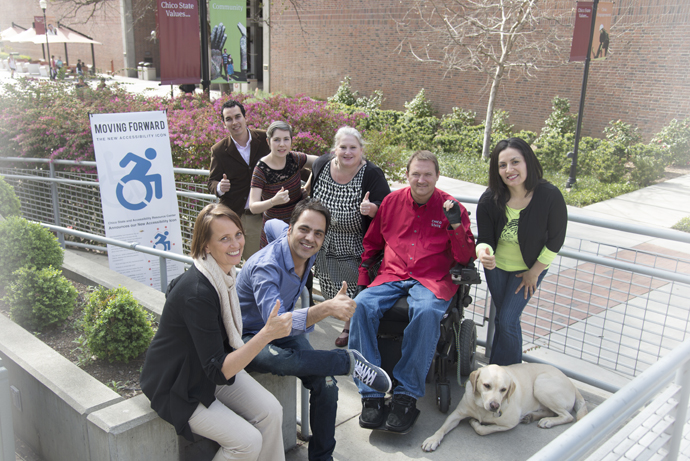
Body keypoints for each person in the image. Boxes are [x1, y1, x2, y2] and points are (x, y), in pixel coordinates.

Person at [236, 198, 392, 461]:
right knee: (284, 362)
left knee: (327, 385)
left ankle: (322, 458)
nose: (310, 238)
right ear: (291, 228)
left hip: (283, 331)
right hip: (248, 336)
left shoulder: (306, 248)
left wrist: (279, 228)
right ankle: (347, 361)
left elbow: (272, 224)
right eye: (304, 229)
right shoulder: (266, 268)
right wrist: (327, 308)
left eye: (318, 233)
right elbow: (276, 324)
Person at [140, 203, 293, 461]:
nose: (235, 244)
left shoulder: (223, 274)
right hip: (179, 385)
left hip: (207, 371)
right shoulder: (198, 292)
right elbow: (218, 370)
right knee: (247, 442)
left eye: (238, 234)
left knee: (272, 411)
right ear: (206, 246)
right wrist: (266, 334)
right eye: (224, 238)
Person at [349, 150, 476, 433]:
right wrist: (361, 280)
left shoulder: (451, 207)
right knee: (360, 306)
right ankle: (371, 392)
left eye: (427, 174)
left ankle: (406, 394)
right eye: (416, 173)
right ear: (407, 175)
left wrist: (455, 224)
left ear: (437, 176)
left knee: (427, 311)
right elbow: (371, 246)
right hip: (392, 275)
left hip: (431, 278)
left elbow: (466, 256)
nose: (421, 179)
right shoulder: (392, 202)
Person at [475, 137, 567, 366]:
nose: (509, 170)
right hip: (497, 269)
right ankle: (500, 376)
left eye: (515, 162)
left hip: (529, 269)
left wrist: (534, 273)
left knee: (506, 319)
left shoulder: (549, 195)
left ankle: (507, 376)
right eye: (502, 165)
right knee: (507, 321)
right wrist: (483, 253)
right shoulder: (489, 199)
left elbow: (556, 240)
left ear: (527, 161)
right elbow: (484, 240)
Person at [310, 126, 390, 347]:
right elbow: (311, 195)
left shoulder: (372, 173)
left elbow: (387, 207)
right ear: (335, 149)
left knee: (353, 289)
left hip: (355, 246)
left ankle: (348, 327)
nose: (347, 152)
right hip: (325, 242)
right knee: (328, 285)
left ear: (361, 150)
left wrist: (372, 209)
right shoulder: (321, 164)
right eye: (343, 147)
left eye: (353, 147)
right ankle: (338, 314)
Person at [208, 100, 269, 259]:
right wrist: (220, 187)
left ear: (244, 117)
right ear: (223, 123)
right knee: (227, 261)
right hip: (233, 216)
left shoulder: (264, 139)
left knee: (256, 263)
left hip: (258, 215)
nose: (234, 122)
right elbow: (211, 182)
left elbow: (285, 159)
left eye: (237, 117)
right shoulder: (219, 150)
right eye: (229, 119)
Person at [248, 121, 317, 248]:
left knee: (300, 265)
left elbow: (320, 163)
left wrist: (307, 187)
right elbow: (253, 206)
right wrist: (273, 201)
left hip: (298, 224)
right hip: (274, 230)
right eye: (277, 140)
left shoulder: (294, 158)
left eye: (286, 139)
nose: (282, 144)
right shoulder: (261, 169)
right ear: (268, 142)